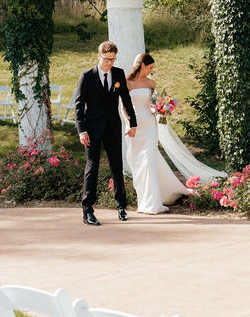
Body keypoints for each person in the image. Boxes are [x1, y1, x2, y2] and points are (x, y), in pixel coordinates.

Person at [75, 41, 137, 226]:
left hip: (112, 127)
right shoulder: (86, 76)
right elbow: (79, 106)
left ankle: (121, 207)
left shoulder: (118, 74)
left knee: (117, 166)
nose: (109, 63)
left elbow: (126, 99)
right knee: (92, 168)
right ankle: (88, 211)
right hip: (91, 130)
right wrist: (82, 131)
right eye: (106, 59)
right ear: (99, 56)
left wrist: (133, 123)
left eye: (112, 59)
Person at [124, 53, 191, 214]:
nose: (152, 70)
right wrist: (129, 125)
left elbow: (154, 104)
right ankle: (143, 201)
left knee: (148, 162)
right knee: (138, 164)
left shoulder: (151, 83)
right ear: (142, 66)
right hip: (134, 128)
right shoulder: (127, 83)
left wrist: (161, 109)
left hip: (149, 126)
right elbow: (123, 107)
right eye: (150, 67)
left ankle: (153, 204)